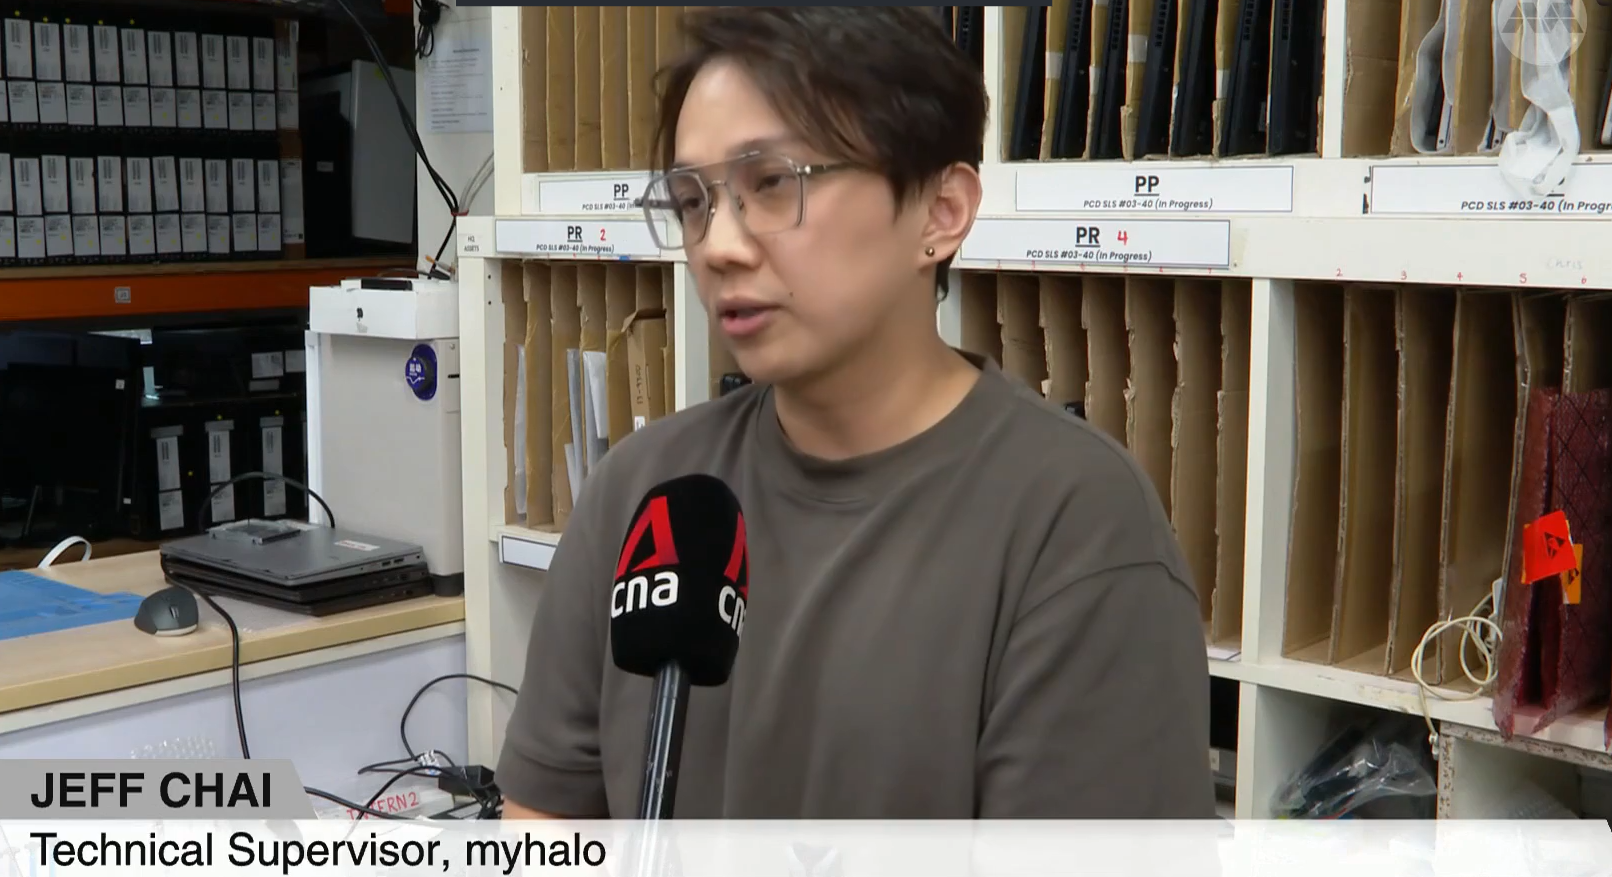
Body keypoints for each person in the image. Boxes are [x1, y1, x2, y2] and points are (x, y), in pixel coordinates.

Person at [497, 6, 1215, 819]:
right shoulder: (643, 493)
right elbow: (543, 818)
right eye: (693, 200)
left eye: (773, 183)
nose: (718, 245)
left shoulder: (1077, 528)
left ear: (941, 210)